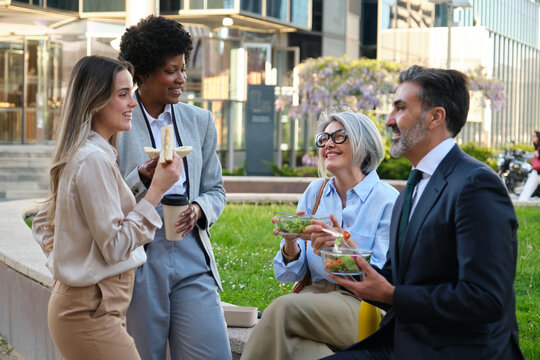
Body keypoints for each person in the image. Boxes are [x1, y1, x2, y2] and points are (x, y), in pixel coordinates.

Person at [324, 65, 524, 359]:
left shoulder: (476, 185)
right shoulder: (410, 190)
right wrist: (350, 261)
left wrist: (391, 295)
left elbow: (485, 299)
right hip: (404, 342)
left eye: (400, 108)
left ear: (435, 116)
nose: (390, 120)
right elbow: (395, 280)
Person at [31, 55, 182, 360]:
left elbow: (43, 224)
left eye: (131, 93)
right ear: (96, 100)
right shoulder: (93, 159)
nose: (133, 104)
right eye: (123, 94)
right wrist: (156, 191)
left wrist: (141, 179)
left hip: (90, 306)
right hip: (89, 311)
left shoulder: (90, 153)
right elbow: (114, 247)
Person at [240, 109, 399, 360]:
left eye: (338, 136)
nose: (328, 144)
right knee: (295, 348)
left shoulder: (387, 200)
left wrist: (344, 248)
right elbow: (289, 272)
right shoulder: (315, 192)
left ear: (365, 146)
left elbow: (383, 279)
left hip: (362, 306)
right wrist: (290, 244)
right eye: (323, 139)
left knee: (281, 309)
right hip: (312, 296)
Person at [117, 15, 230, 360]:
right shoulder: (116, 121)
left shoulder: (200, 121)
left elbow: (216, 190)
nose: (181, 79)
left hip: (191, 252)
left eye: (183, 68)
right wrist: (142, 176)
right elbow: (104, 194)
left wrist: (199, 209)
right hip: (139, 258)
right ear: (143, 74)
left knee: (212, 352)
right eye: (171, 71)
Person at [518, 130, 540, 202]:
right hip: (536, 172)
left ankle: (521, 202)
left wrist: (538, 155)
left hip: (538, 172)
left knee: (528, 188)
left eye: (534, 136)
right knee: (528, 188)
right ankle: (521, 202)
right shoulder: (537, 147)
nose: (532, 138)